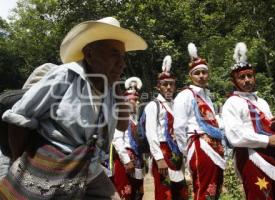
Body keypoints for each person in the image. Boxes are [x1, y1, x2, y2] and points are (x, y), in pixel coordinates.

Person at [0, 16, 147, 199]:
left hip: (89, 166)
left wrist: (115, 85)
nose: (122, 63)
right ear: (90, 54)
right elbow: (18, 118)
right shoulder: (65, 76)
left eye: (122, 56)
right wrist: (19, 162)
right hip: (51, 163)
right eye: (114, 54)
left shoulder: (109, 87)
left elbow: (122, 126)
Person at [222, 42, 275, 200]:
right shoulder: (232, 103)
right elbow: (234, 136)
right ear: (234, 81)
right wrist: (267, 139)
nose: (247, 80)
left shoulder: (261, 102)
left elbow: (267, 129)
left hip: (270, 154)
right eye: (242, 77)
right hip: (250, 156)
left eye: (250, 76)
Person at [173, 43, 225, 200]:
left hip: (215, 147)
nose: (201, 75)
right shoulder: (185, 95)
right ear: (191, 76)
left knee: (214, 191)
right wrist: (187, 150)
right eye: (197, 73)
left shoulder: (208, 97)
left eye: (204, 72)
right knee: (204, 189)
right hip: (200, 146)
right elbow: (179, 127)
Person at [144, 55, 188, 200]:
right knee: (165, 194)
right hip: (163, 153)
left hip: (177, 154)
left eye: (171, 84)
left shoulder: (177, 105)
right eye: (165, 84)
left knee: (180, 193)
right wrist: (158, 158)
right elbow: (151, 134)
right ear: (159, 86)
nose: (168, 87)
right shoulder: (153, 105)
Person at [111, 77, 145, 199]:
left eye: (137, 100)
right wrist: (126, 160)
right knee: (126, 192)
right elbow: (117, 139)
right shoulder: (121, 118)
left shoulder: (136, 119)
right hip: (125, 161)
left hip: (138, 160)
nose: (136, 103)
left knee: (138, 193)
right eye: (132, 100)